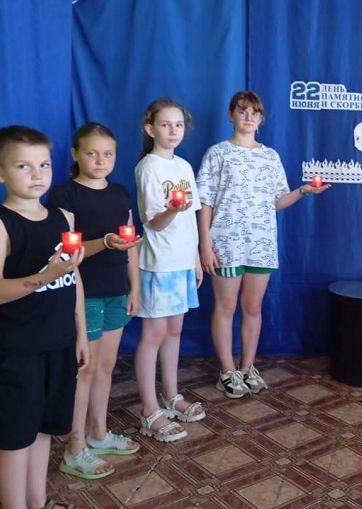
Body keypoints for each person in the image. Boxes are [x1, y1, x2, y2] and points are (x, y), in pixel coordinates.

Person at [197, 91, 330, 398]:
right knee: (226, 307)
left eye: (254, 112)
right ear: (230, 115)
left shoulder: (270, 156)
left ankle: (247, 367)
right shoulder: (217, 153)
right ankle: (227, 371)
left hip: (261, 243)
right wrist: (205, 244)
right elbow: (205, 201)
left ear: (261, 119)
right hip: (226, 243)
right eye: (242, 111)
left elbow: (277, 201)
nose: (248, 117)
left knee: (253, 307)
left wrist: (303, 191)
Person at [0, 125, 88, 509]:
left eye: (44, 165)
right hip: (19, 349)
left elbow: (74, 278)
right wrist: (44, 277)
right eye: (24, 166)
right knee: (17, 437)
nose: (37, 175)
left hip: (59, 342)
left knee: (46, 427)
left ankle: (39, 500)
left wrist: (81, 333)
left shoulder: (63, 217)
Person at [47, 123, 141, 479]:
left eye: (108, 154)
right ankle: (74, 448)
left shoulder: (119, 193)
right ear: (75, 154)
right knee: (84, 369)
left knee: (106, 365)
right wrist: (104, 242)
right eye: (92, 153)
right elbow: (66, 250)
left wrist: (135, 287)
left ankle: (98, 433)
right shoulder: (65, 195)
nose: (100, 160)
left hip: (117, 290)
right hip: (82, 294)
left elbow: (130, 245)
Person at [134, 98, 205, 442]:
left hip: (181, 262)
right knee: (154, 334)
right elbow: (154, 223)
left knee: (175, 330)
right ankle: (149, 410)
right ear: (150, 129)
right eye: (165, 124)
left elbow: (191, 218)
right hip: (159, 264)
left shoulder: (184, 167)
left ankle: (171, 395)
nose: (173, 131)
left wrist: (194, 258)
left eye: (178, 125)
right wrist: (172, 210)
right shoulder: (149, 167)